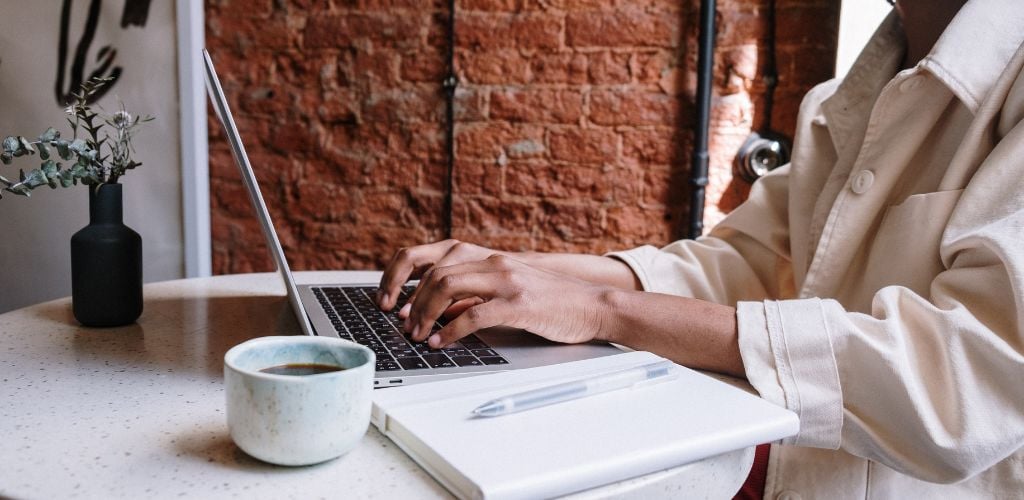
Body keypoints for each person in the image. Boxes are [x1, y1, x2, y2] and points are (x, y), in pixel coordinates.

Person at [375, 0, 1024, 497]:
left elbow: (959, 383)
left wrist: (604, 310)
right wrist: (519, 272)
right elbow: (739, 265)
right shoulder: (857, 94)